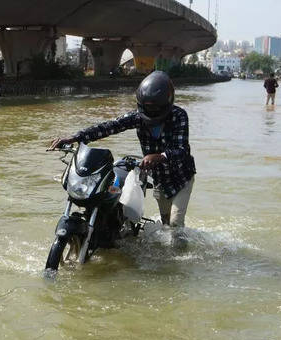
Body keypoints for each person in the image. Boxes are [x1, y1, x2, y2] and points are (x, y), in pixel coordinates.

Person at [49, 71, 197, 228]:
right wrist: (76, 137)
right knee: (166, 224)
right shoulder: (138, 117)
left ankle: (182, 251)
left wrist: (159, 156)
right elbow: (109, 126)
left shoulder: (179, 116)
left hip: (181, 178)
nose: (150, 112)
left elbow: (182, 150)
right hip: (160, 177)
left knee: (175, 224)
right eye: (147, 108)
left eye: (155, 109)